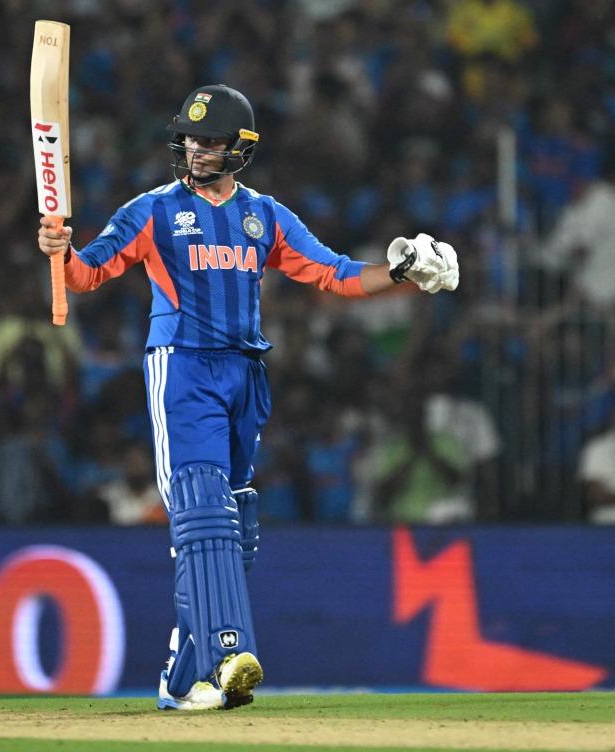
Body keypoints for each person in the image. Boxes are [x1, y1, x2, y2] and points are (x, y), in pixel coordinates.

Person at [36, 84, 459, 711]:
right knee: (202, 510)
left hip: (245, 374)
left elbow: (335, 274)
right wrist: (59, 247)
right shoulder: (152, 210)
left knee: (232, 522)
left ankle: (184, 676)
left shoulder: (266, 214)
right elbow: (87, 271)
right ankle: (226, 656)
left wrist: (398, 274)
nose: (196, 148)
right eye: (189, 137)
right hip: (181, 366)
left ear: (240, 147)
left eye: (210, 140)